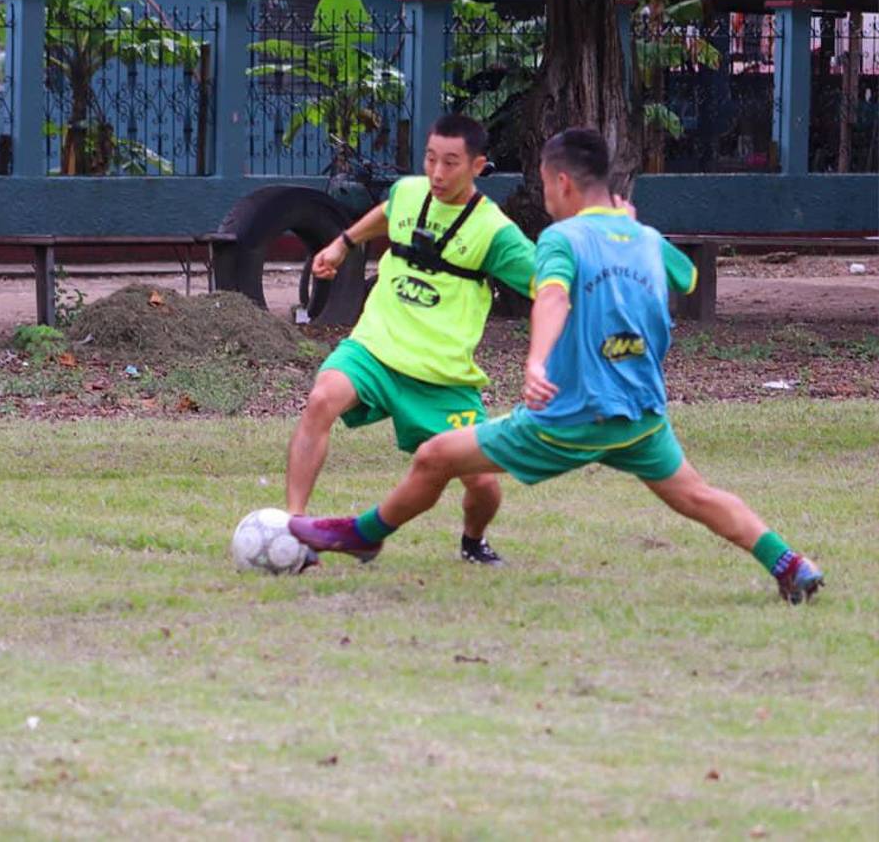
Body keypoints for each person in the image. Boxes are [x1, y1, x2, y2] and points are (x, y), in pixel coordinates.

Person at [289, 127, 824, 604]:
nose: (544, 196)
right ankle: (789, 562)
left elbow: (551, 298)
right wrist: (630, 234)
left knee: (433, 457)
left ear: (563, 183)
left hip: (569, 415)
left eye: (545, 184)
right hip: (639, 413)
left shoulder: (561, 239)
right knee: (698, 496)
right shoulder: (645, 238)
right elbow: (685, 278)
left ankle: (366, 533)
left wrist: (537, 362)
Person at [287, 114, 536, 567]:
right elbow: (388, 212)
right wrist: (343, 243)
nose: (437, 174)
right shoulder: (408, 192)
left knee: (482, 484)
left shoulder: (495, 233)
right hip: (376, 348)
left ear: (478, 166)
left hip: (441, 376)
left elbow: (550, 284)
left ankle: (473, 541)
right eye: (430, 159)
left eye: (451, 163)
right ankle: (295, 529)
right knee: (322, 397)